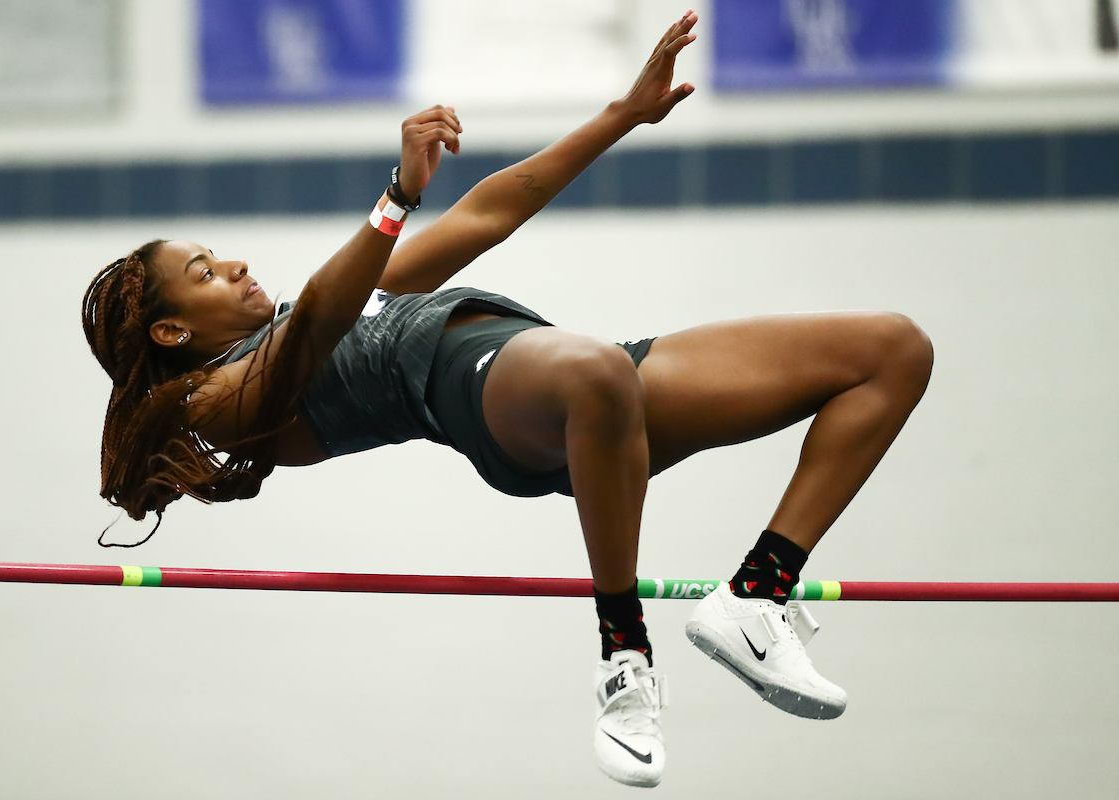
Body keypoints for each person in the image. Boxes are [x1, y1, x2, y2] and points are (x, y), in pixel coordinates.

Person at [81, 11, 932, 788]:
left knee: (889, 350)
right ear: (170, 331)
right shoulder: (217, 401)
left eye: (218, 254)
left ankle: (757, 595)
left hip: (580, 381)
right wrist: (396, 196)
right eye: (204, 272)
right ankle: (624, 657)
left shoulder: (317, 308)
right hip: (494, 399)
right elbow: (318, 324)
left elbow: (487, 215)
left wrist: (624, 114)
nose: (233, 265)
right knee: (594, 371)